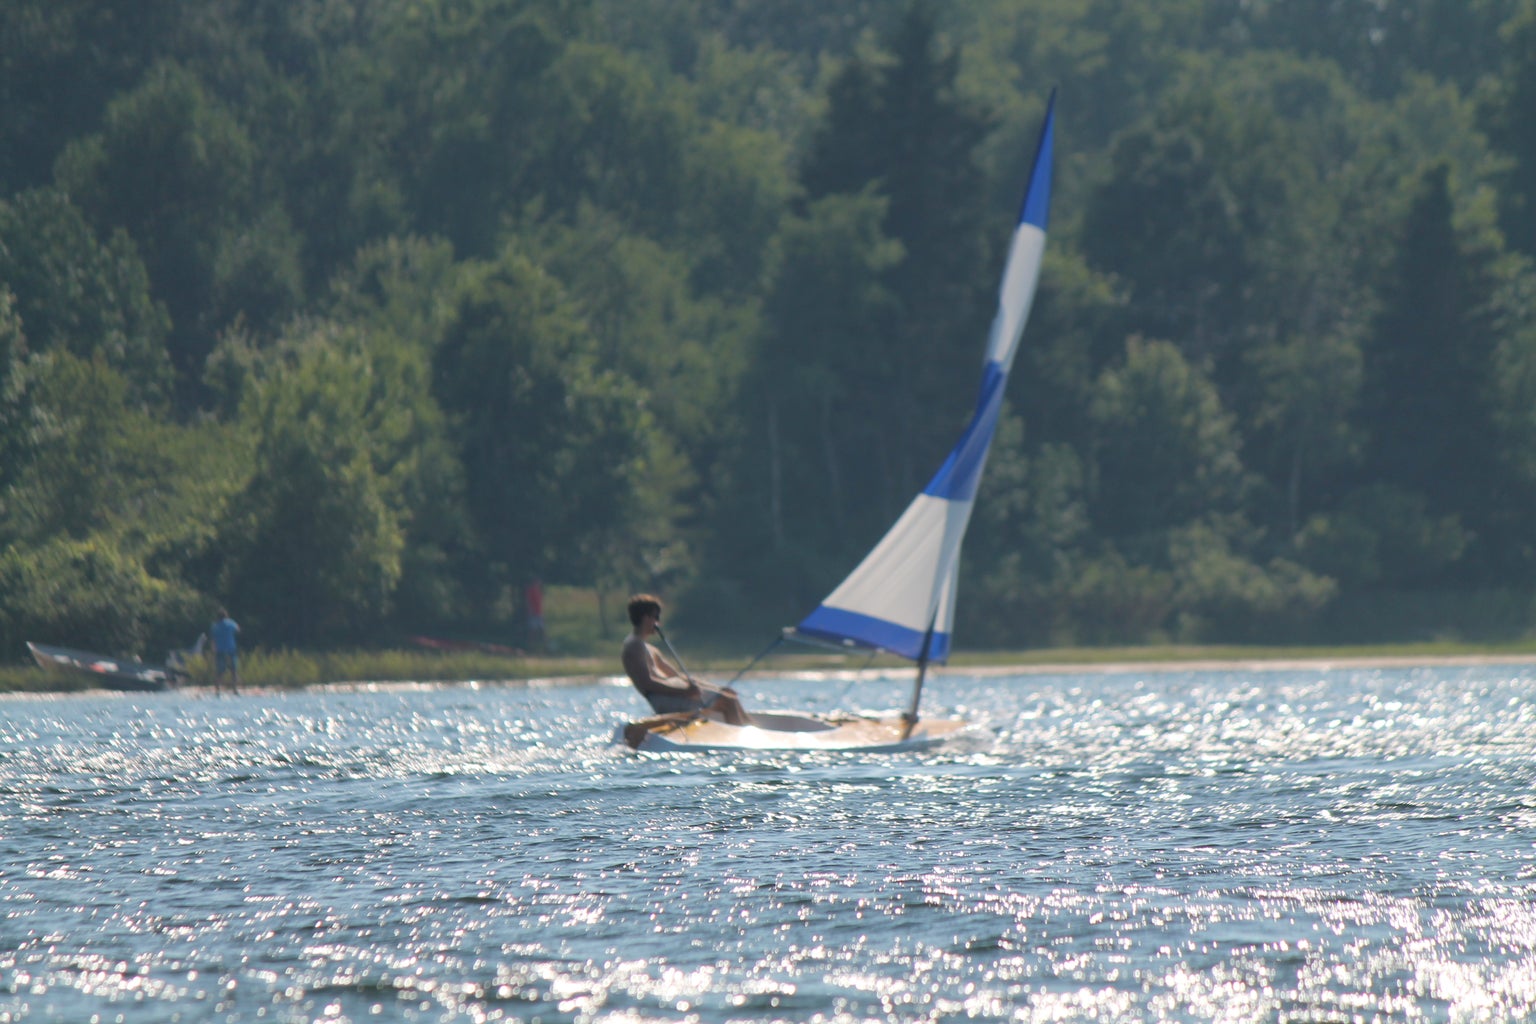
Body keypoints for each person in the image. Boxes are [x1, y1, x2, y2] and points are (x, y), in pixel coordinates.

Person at [622, 593, 750, 725]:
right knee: (728, 701)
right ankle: (740, 736)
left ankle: (749, 729)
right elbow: (648, 684)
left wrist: (718, 688)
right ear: (646, 617)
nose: (658, 622)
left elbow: (679, 676)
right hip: (665, 700)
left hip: (675, 694)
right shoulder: (633, 646)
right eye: (656, 617)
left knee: (730, 697)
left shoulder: (650, 648)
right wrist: (685, 692)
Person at [210, 608, 240, 695]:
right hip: (231, 649)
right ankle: (235, 689)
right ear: (226, 616)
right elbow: (238, 629)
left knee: (220, 671)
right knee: (233, 670)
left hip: (220, 650)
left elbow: (213, 639)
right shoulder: (231, 623)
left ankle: (217, 689)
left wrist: (213, 649)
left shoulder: (215, 626)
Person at [524, 578, 546, 652]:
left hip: (539, 613)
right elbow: (528, 602)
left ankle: (543, 647)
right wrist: (530, 611)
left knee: (541, 630)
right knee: (532, 631)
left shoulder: (538, 590)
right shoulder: (531, 590)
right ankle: (531, 647)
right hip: (533, 613)